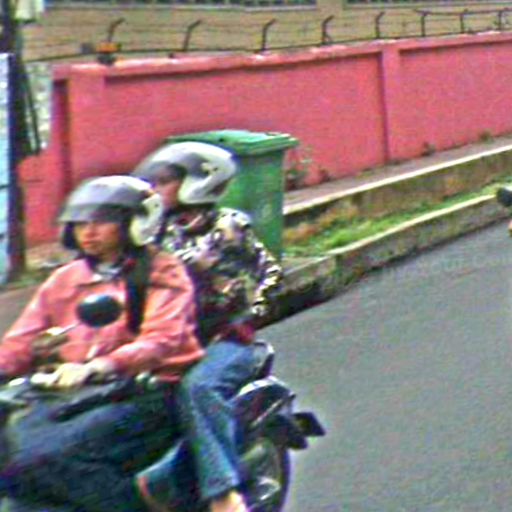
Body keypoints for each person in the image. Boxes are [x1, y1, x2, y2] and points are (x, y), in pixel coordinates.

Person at [0, 175, 205, 510]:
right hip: (71, 393)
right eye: (81, 223)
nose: (89, 232)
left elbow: (160, 340)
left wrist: (98, 366)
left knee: (50, 455)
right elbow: (23, 339)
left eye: (102, 222)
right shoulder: (66, 279)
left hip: (146, 390)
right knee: (10, 455)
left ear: (134, 224)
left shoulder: (160, 272)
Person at [132, 142, 283, 512]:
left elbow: (260, 272)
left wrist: (247, 311)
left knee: (199, 387)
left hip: (225, 340)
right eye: (153, 181)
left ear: (199, 182)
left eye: (164, 181)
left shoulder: (227, 226)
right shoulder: (155, 230)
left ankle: (223, 492)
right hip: (165, 337)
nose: (155, 189)